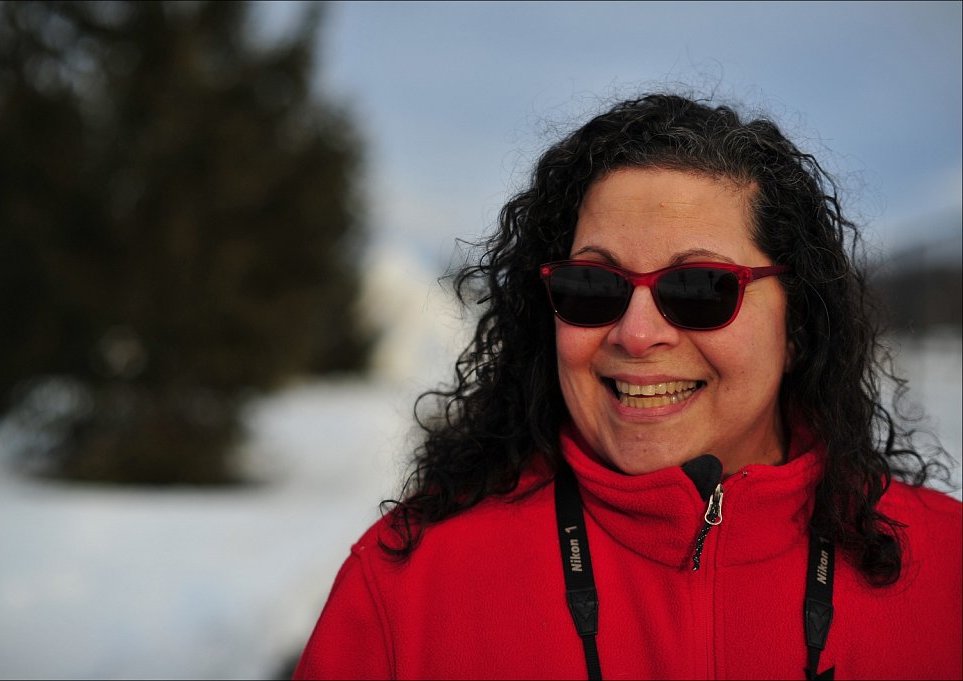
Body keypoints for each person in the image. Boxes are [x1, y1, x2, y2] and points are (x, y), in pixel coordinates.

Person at [292, 93, 962, 680]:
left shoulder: (948, 578)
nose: (637, 334)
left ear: (797, 324)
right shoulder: (406, 591)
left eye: (700, 287)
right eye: (594, 286)